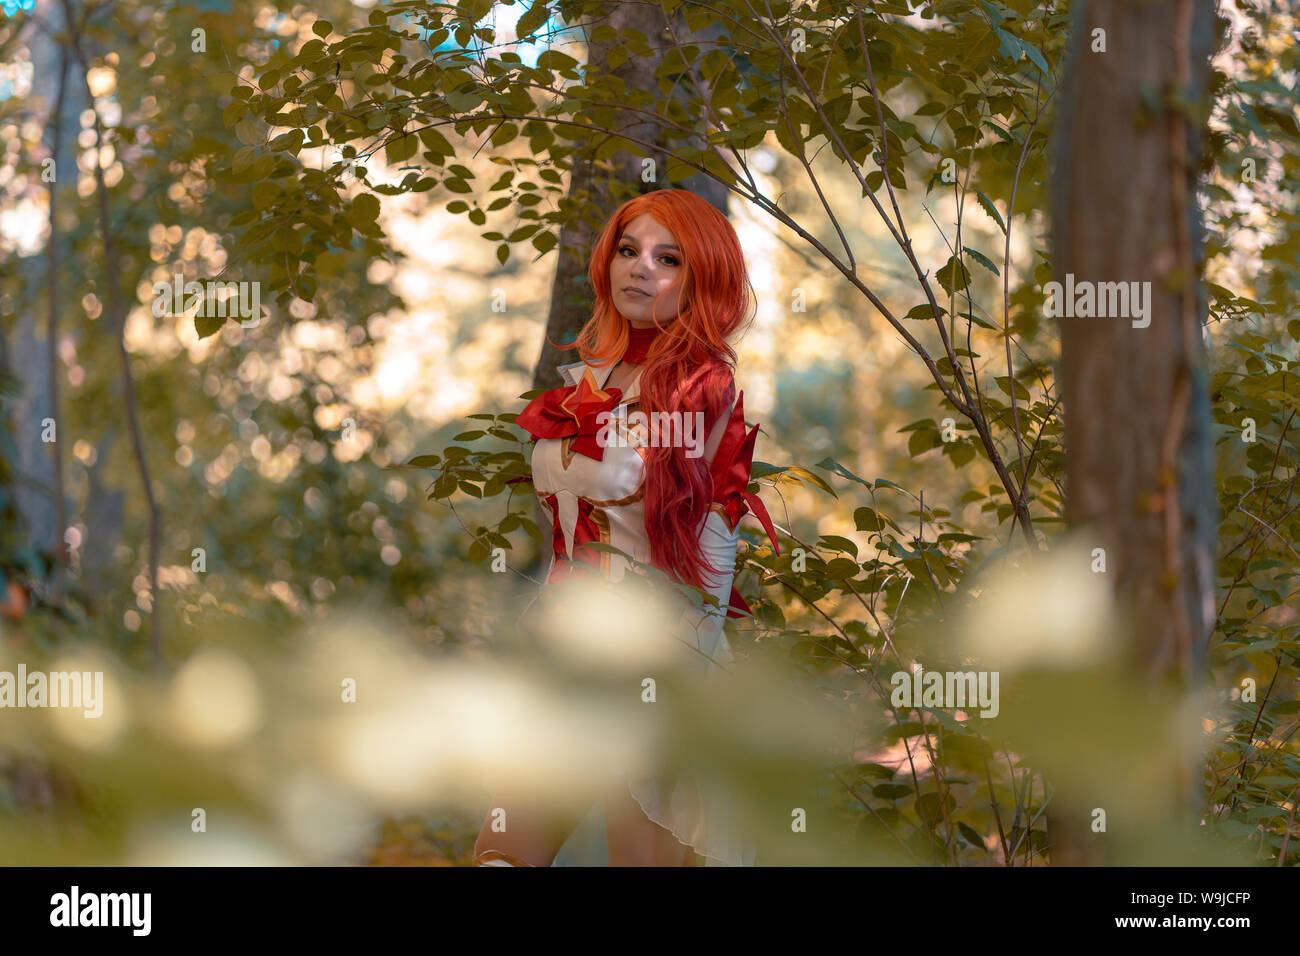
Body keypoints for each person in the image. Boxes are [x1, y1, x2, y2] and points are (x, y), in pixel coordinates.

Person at [472, 188, 780, 866]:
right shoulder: (589, 374)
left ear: (703, 279)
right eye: (628, 249)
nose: (640, 267)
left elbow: (665, 515)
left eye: (668, 259)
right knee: (502, 853)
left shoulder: (703, 387)